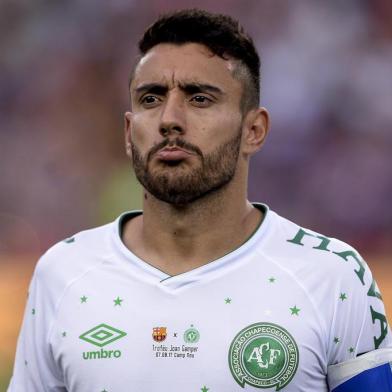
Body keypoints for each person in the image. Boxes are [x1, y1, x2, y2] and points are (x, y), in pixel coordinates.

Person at [8, 9, 392, 392]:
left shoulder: (333, 276)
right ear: (129, 132)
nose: (169, 119)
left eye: (199, 98)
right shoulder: (63, 273)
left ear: (254, 131)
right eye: (151, 98)